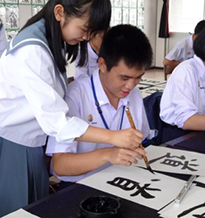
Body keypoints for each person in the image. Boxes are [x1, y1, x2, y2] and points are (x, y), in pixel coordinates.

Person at [0, 1, 144, 217]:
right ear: (60, 12)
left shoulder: (48, 40)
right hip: (0, 144)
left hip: (25, 143)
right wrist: (114, 138)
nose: (87, 38)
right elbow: (58, 123)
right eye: (84, 29)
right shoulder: (33, 49)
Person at [46, 24, 153, 188]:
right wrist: (108, 154)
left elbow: (141, 138)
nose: (130, 86)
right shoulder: (76, 95)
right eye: (124, 78)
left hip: (123, 181)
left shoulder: (134, 94)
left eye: (138, 77)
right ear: (102, 64)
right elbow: (59, 165)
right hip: (81, 187)